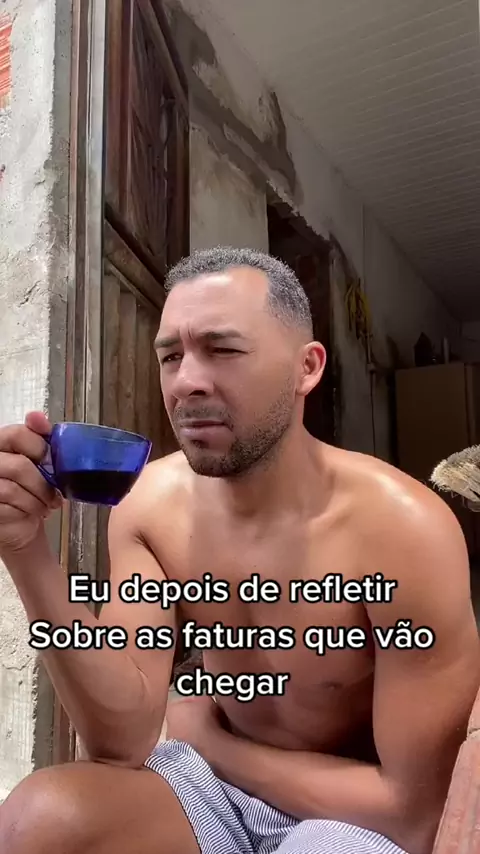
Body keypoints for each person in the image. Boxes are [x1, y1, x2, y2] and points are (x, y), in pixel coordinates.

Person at [0, 247, 478, 854]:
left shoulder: (403, 530)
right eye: (171, 356)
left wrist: (211, 741)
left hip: (350, 819)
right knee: (37, 821)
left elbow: (413, 815)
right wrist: (24, 550)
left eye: (222, 350)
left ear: (306, 368)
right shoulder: (151, 506)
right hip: (215, 792)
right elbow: (120, 742)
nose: (187, 382)